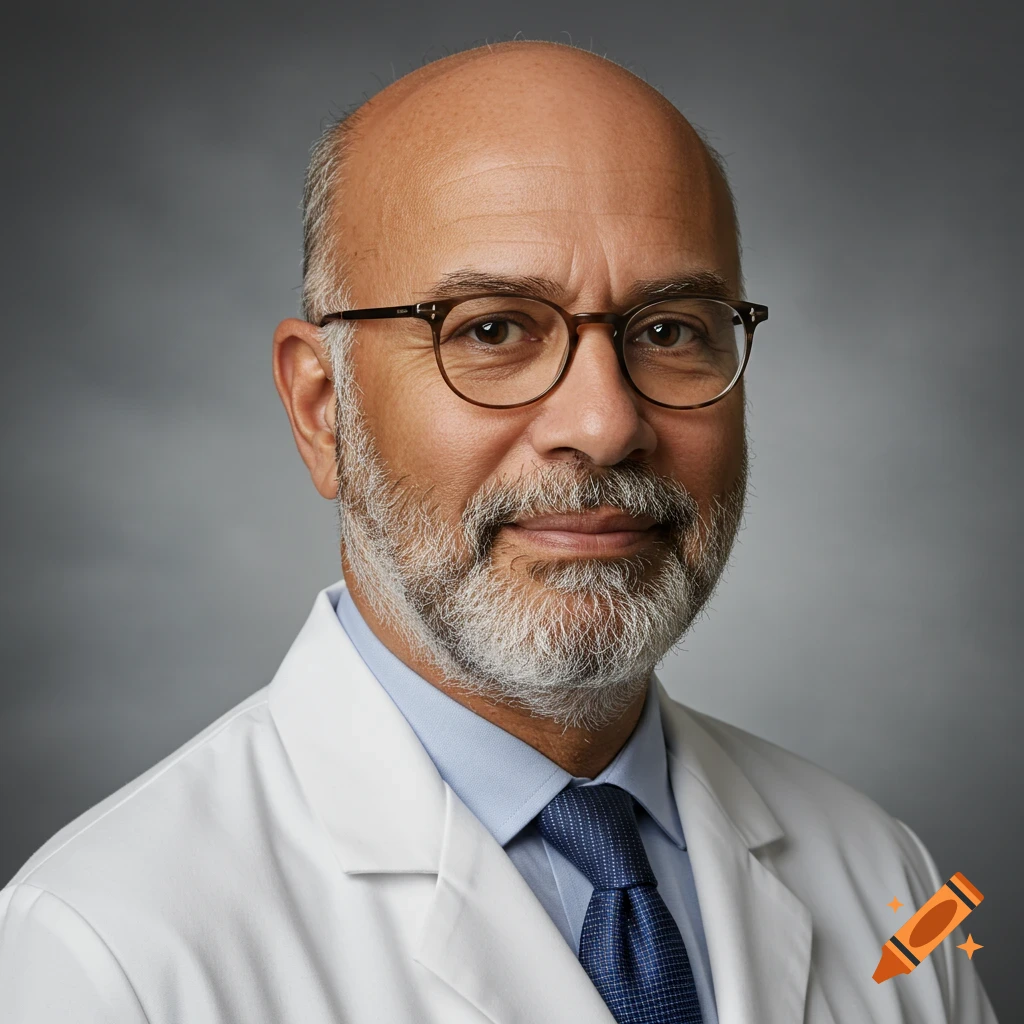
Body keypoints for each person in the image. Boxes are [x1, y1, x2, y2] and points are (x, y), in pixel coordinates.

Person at [0, 40, 998, 1024]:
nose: (605, 424)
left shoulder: (889, 883)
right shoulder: (102, 956)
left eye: (668, 330)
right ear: (321, 409)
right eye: (492, 329)